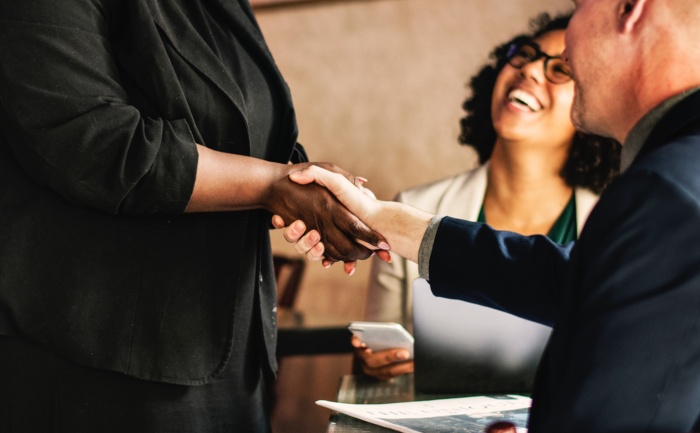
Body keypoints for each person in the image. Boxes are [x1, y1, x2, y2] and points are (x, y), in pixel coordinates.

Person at [284, 1, 700, 430]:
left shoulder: (666, 191)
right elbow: (567, 278)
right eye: (523, 57)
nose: (548, 64)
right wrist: (380, 217)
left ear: (630, 8)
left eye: (578, 5)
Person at [0, 1, 386, 432]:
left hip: (230, 351)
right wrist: (275, 186)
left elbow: (243, 132)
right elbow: (94, 143)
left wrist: (310, 183)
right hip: (105, 362)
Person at [356, 12, 620, 380]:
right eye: (524, 54)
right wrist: (377, 365)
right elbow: (378, 351)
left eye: (561, 69)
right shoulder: (408, 209)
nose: (528, 71)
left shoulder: (616, 224)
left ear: (591, 102)